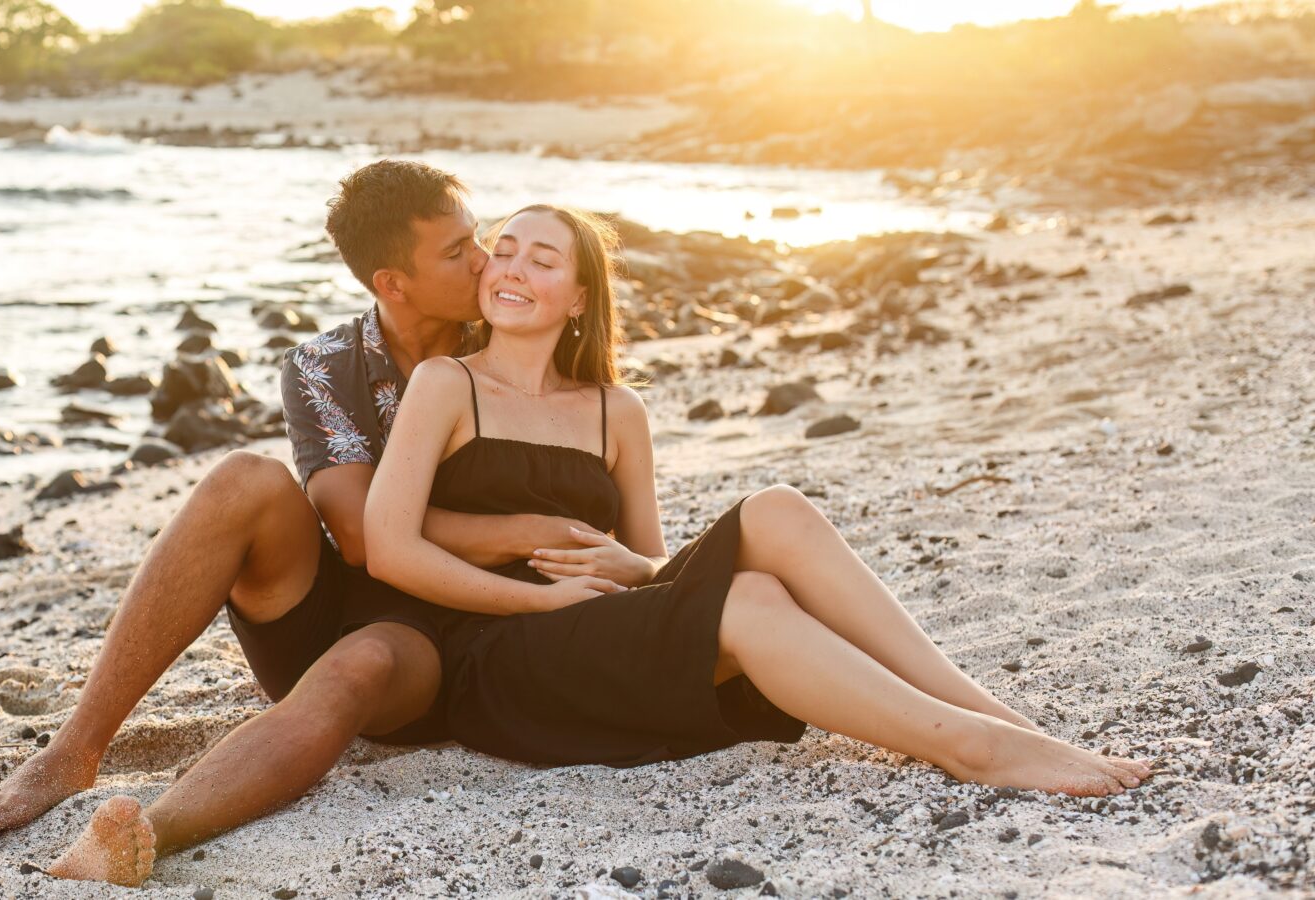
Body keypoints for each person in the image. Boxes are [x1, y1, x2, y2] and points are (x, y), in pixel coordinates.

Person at [0, 161, 600, 887]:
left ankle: (151, 830)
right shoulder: (324, 365)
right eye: (457, 251)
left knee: (368, 658)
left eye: (477, 237)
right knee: (243, 480)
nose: (486, 260)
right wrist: (526, 530)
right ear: (393, 283)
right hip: (334, 604)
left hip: (438, 636)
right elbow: (359, 537)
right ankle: (72, 751)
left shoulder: (514, 331)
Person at [361, 204, 1154, 788]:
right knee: (747, 601)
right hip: (502, 651)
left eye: (543, 260)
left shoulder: (616, 410)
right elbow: (390, 549)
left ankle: (997, 721)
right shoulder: (445, 384)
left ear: (576, 298)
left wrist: (630, 569)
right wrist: (540, 602)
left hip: (608, 618)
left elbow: (656, 560)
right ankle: (970, 747)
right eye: (504, 252)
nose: (511, 269)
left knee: (774, 511)